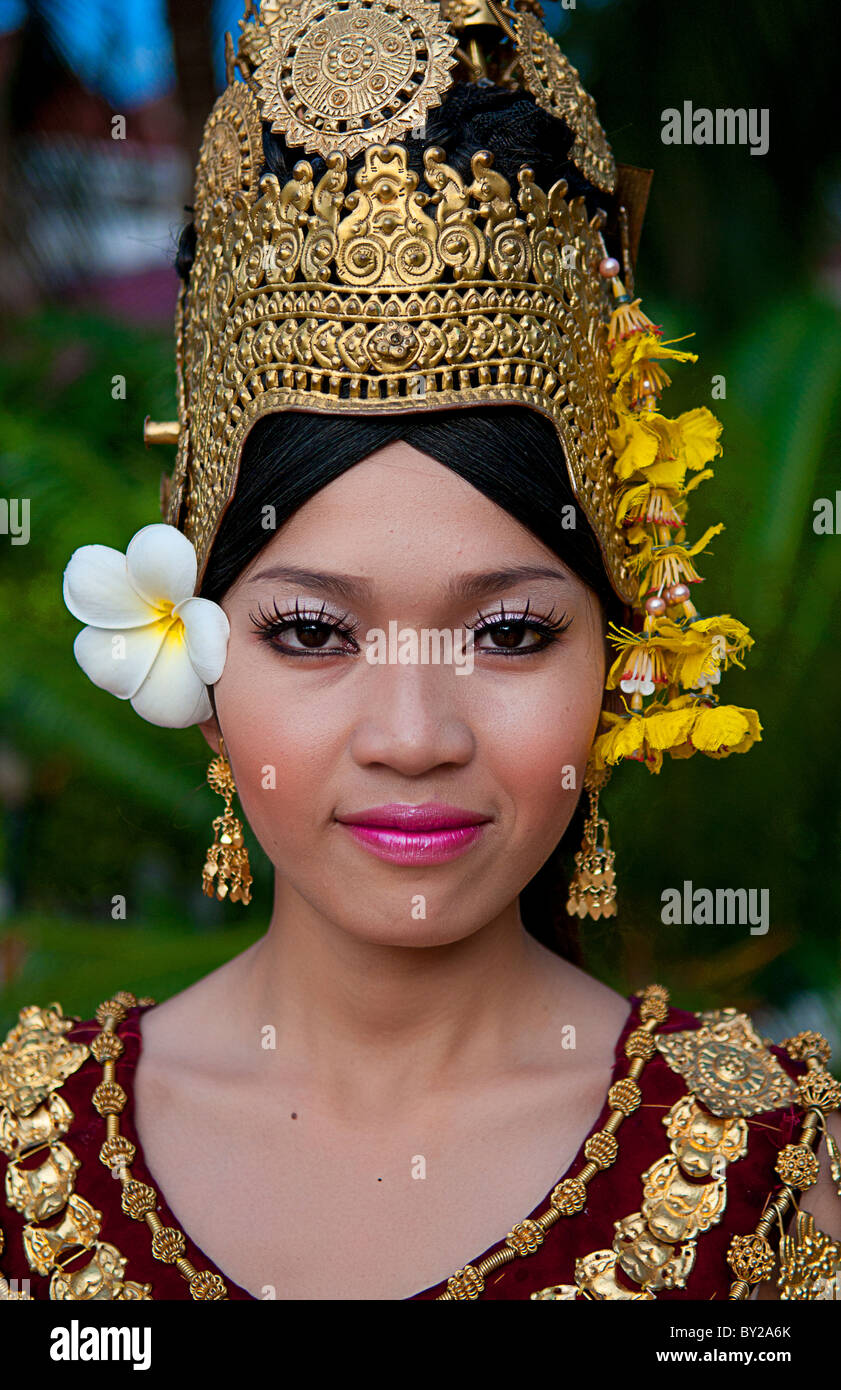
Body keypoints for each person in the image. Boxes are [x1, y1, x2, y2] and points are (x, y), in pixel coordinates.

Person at [2, 0, 839, 1302]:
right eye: (312, 631)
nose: (411, 732)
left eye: (507, 631)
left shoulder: (770, 1173)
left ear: (616, 647)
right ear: (201, 656)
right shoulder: (22, 1160)